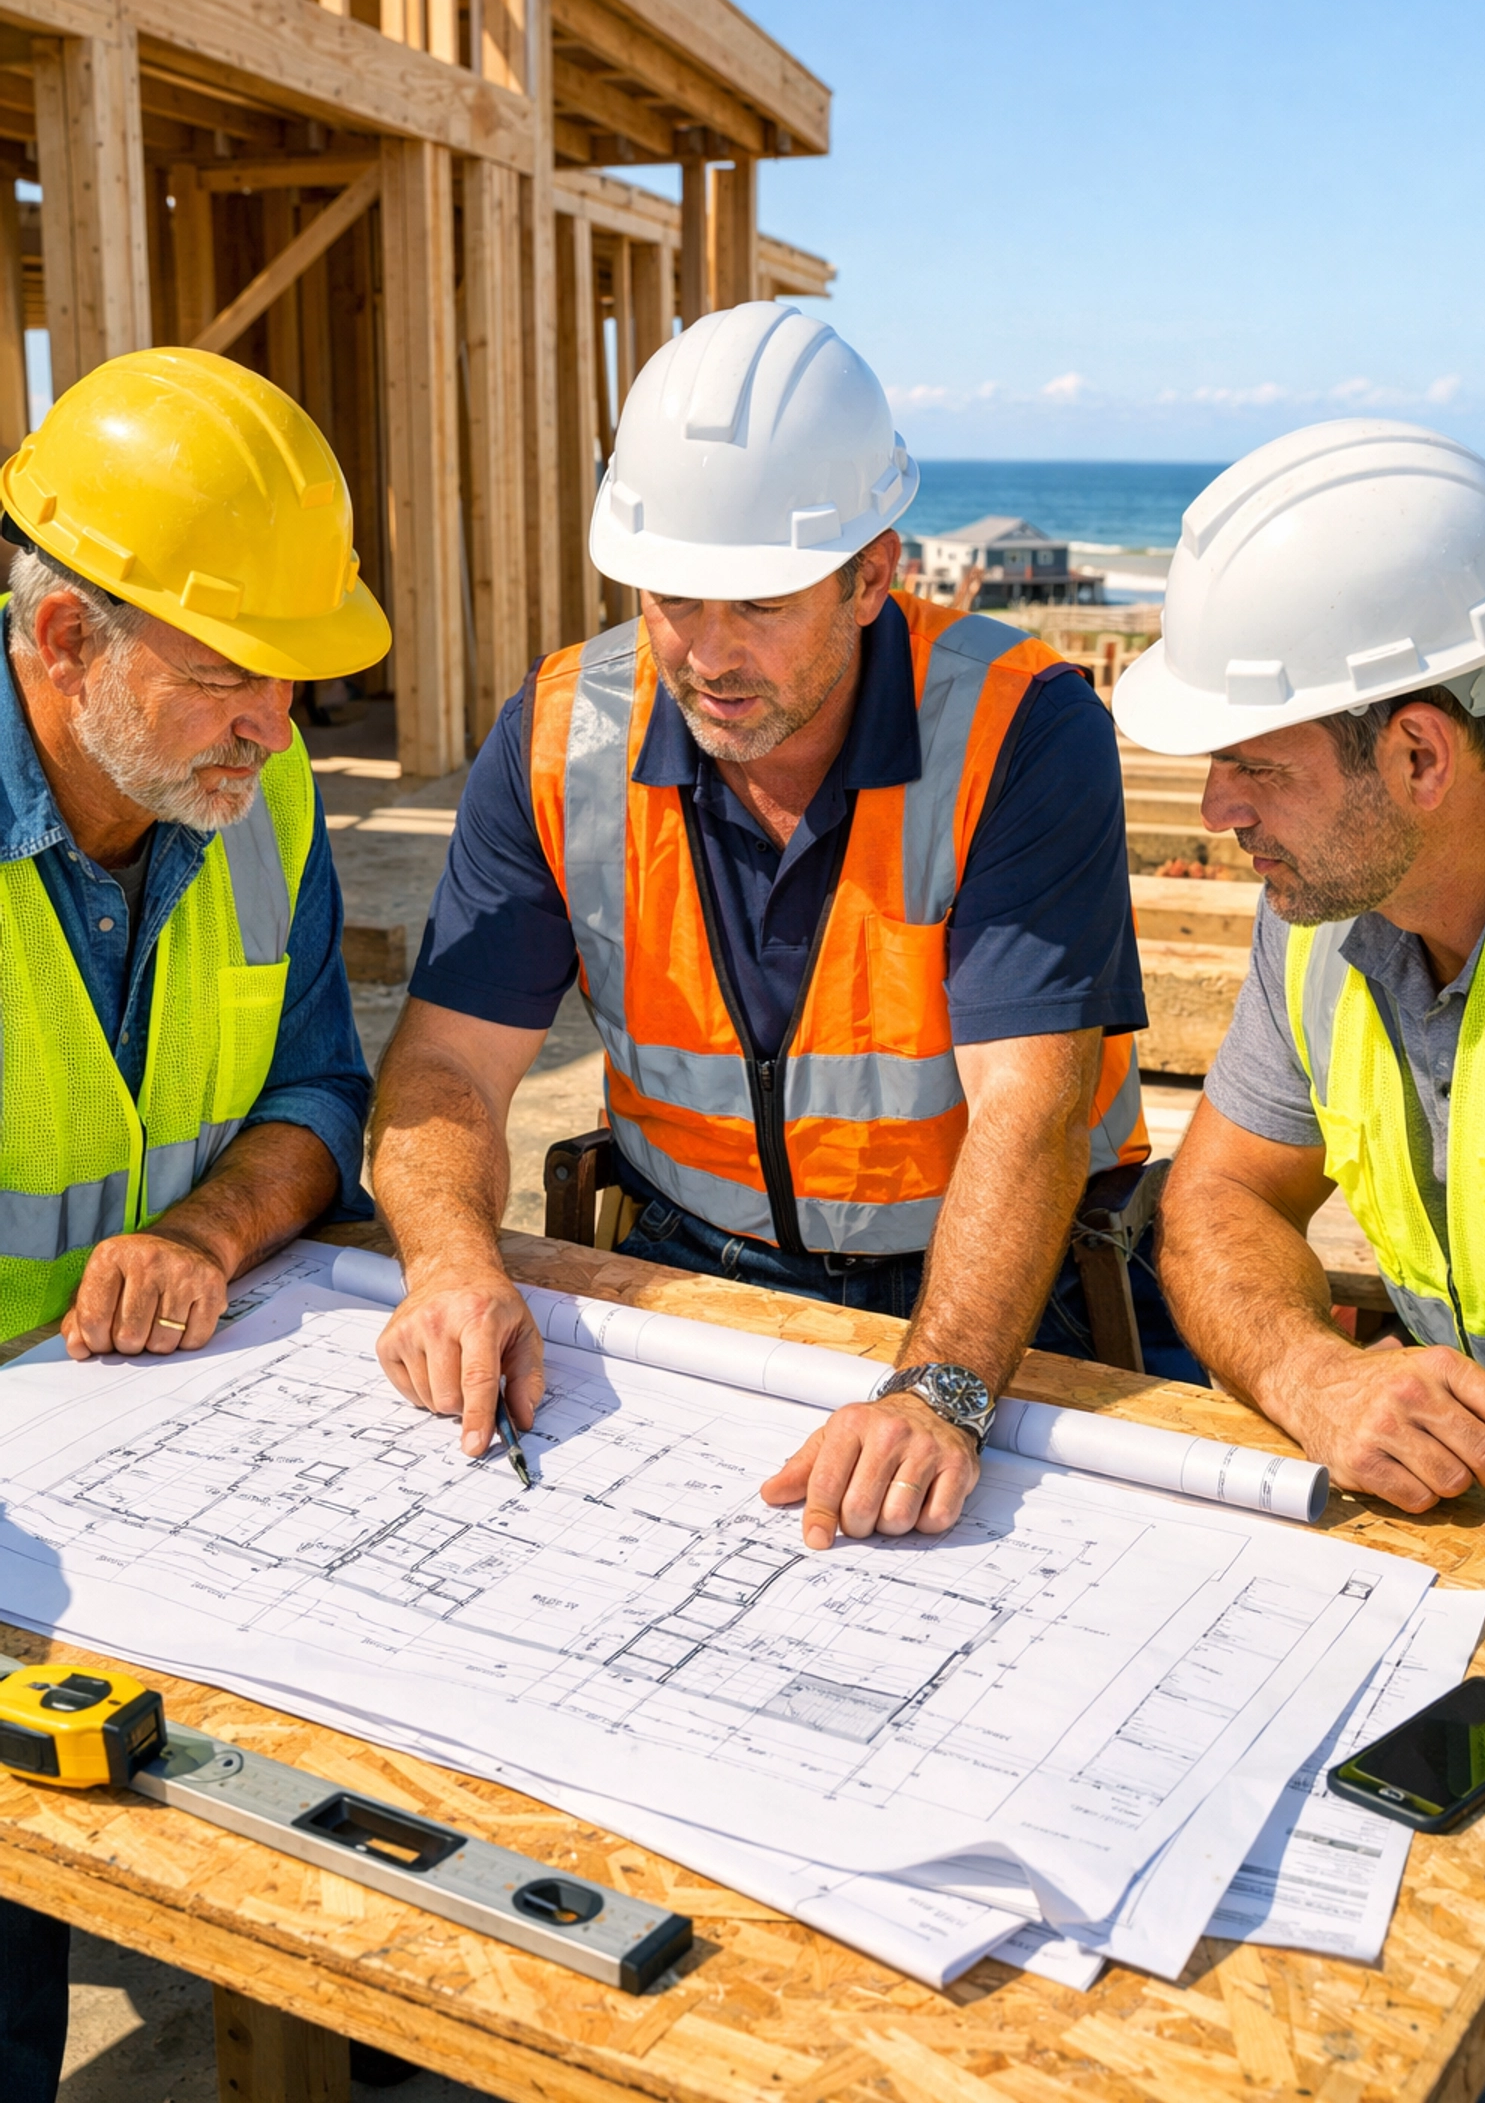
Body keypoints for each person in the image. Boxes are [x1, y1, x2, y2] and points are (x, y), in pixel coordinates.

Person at [372, 300, 1187, 1558]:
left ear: (874, 575)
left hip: (997, 1299)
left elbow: (1033, 1111)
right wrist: (449, 1263)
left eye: (759, 603)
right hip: (681, 1265)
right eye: (673, 599)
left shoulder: (1022, 729)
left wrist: (943, 1392)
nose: (706, 654)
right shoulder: (554, 735)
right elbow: (444, 1070)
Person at [0, 345, 390, 2103]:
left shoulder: (262, 798)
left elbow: (316, 1102)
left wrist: (213, 1232)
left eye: (295, 681)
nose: (278, 725)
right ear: (63, 643)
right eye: (230, 675)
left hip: (157, 1435)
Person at [1114, 419, 1485, 1512]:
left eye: (1256, 766)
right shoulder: (1317, 920)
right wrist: (1318, 1377)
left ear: (1418, 754)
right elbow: (1219, 1198)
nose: (1217, 812)